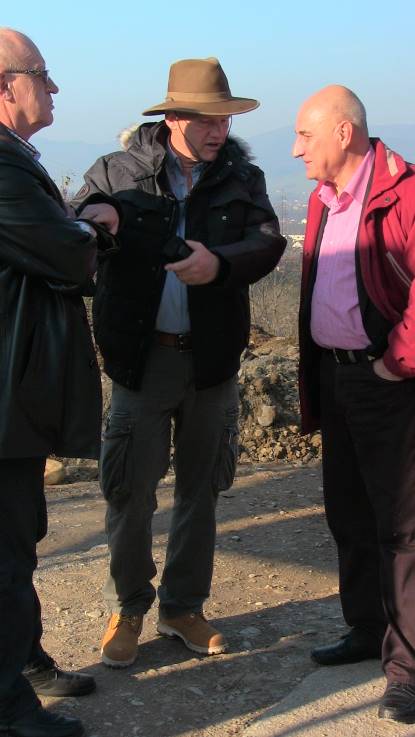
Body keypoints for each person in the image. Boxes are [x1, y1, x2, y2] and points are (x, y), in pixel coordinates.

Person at [72, 56, 285, 668]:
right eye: (208, 120)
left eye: (226, 119)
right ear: (172, 118)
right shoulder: (117, 171)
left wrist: (220, 265)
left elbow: (267, 241)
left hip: (212, 362)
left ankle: (183, 607)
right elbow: (79, 216)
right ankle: (128, 608)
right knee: (129, 492)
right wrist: (97, 218)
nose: (220, 131)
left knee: (202, 490)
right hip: (142, 361)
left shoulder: (243, 177)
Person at [0, 28, 120, 737]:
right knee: (5, 547)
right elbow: (65, 257)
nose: (53, 87)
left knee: (19, 535)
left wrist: (71, 224)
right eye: (41, 74)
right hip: (5, 394)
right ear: (4, 86)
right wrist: (94, 226)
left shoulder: (15, 158)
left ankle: (23, 661)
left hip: (13, 391)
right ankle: (10, 709)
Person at [294, 84, 415, 724]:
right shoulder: (323, 198)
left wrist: (397, 361)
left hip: (387, 380)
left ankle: (409, 671)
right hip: (335, 377)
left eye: (305, 135)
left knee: (402, 527)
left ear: (344, 133)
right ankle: (367, 629)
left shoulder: (404, 192)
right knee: (348, 511)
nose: (296, 150)